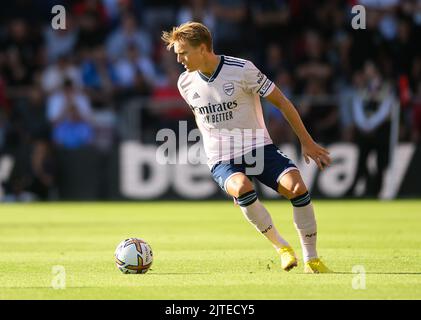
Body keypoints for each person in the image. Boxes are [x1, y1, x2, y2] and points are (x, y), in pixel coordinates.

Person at [161, 22, 332, 273]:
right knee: (242, 188)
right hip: (222, 157)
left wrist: (306, 141)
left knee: (297, 187)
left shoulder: (242, 70)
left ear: (204, 48)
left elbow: (282, 103)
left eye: (183, 52)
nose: (179, 59)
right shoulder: (185, 82)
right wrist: (230, 182)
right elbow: (202, 119)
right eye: (177, 53)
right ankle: (282, 248)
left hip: (258, 147)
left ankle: (312, 258)